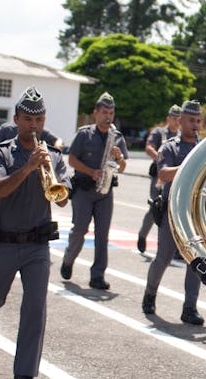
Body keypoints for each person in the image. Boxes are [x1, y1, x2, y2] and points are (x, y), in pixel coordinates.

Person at [0, 86, 71, 378]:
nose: (34, 126)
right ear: (16, 119)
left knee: (35, 311)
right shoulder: (1, 153)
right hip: (3, 243)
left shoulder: (54, 157)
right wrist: (26, 169)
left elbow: (62, 199)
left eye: (39, 121)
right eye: (28, 120)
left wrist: (50, 174)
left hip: (37, 246)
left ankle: (25, 373)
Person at [141, 100, 204, 325]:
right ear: (180, 121)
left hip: (194, 213)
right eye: (190, 120)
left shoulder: (202, 147)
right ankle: (149, 295)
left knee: (196, 262)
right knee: (163, 258)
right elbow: (164, 174)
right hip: (171, 210)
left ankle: (190, 308)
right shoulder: (170, 146)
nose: (195, 125)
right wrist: (191, 165)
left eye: (198, 121)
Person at [60, 91, 128, 290]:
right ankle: (68, 259)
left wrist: (119, 158)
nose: (108, 116)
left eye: (111, 113)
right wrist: (92, 172)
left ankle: (97, 275)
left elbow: (122, 168)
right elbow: (72, 160)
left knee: (102, 234)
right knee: (80, 229)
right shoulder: (84, 134)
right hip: (84, 189)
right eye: (104, 112)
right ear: (96, 113)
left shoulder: (116, 136)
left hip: (105, 192)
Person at [137, 103, 181, 254]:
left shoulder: (182, 136)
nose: (176, 121)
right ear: (168, 118)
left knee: (172, 212)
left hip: (175, 179)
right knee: (155, 208)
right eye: (174, 118)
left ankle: (171, 247)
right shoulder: (159, 133)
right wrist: (161, 159)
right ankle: (142, 235)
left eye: (178, 118)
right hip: (159, 177)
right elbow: (149, 147)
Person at [0, 120, 64, 151]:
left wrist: (57, 147)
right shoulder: (5, 130)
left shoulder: (38, 130)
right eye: (27, 118)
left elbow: (58, 140)